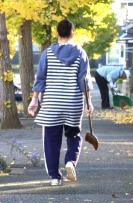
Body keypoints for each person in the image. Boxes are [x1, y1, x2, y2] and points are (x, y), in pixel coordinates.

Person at [28, 19, 93, 186]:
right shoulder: (80, 53)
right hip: (73, 102)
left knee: (51, 140)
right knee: (74, 135)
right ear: (73, 33)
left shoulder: (47, 53)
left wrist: (34, 99)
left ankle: (55, 177)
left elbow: (40, 78)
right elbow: (84, 80)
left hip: (52, 103)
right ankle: (70, 161)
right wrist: (89, 103)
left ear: (57, 33)